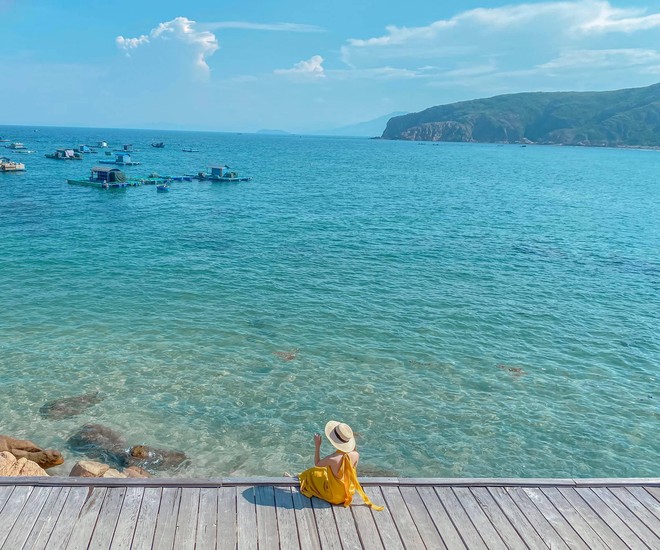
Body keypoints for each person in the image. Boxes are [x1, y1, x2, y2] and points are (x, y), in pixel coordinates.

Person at [298, 420, 384, 511]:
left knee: (312, 472)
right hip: (348, 493)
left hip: (334, 496)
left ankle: (297, 477)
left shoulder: (333, 459)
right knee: (323, 472)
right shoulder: (356, 455)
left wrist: (317, 446)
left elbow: (317, 463)